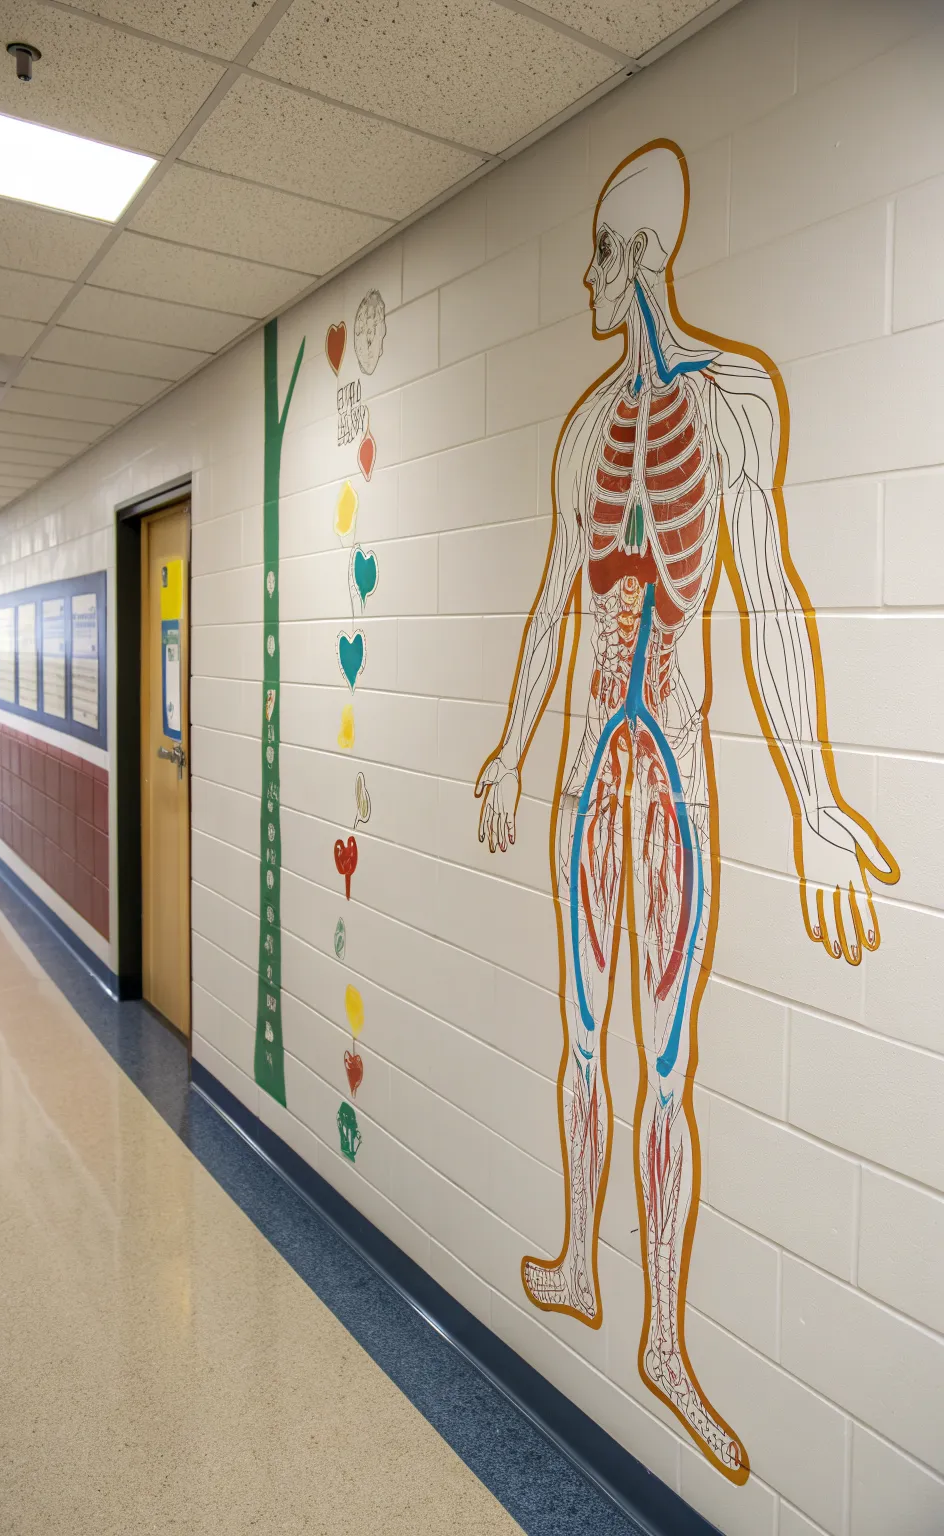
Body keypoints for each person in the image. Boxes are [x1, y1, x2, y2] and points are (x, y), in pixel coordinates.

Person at [475, 139, 898, 1481]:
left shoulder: (732, 406)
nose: (585, 282)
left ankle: (661, 1338)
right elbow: (555, 603)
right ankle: (580, 1265)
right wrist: (508, 752)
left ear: (639, 256)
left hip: (675, 770)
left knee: (663, 1066)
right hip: (585, 772)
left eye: (597, 257)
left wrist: (817, 802)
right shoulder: (581, 433)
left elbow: (769, 600)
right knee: (581, 1041)